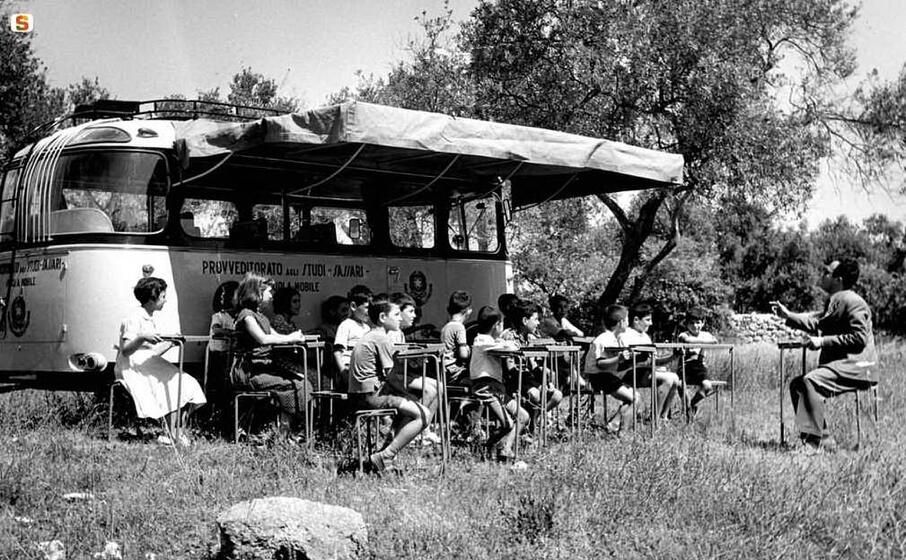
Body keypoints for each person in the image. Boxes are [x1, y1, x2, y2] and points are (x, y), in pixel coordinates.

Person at [771, 258, 877, 451]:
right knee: (797, 385)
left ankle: (818, 443)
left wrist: (822, 341)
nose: (823, 276)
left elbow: (859, 338)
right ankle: (818, 440)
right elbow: (819, 322)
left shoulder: (851, 301)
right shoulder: (839, 300)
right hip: (848, 366)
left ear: (839, 279)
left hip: (859, 367)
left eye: (827, 273)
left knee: (808, 382)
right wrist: (788, 316)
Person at [115, 277, 207, 446]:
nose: (165, 300)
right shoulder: (133, 318)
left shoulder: (149, 317)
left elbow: (152, 352)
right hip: (132, 366)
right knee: (174, 384)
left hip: (148, 362)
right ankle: (171, 434)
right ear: (152, 297)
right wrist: (143, 337)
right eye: (163, 296)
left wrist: (171, 342)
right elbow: (126, 350)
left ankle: (175, 431)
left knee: (188, 383)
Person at [348, 297, 431, 472]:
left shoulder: (371, 335)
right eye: (396, 314)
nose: (400, 318)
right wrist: (408, 396)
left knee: (411, 410)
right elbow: (390, 376)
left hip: (361, 395)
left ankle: (385, 455)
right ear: (383, 318)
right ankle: (385, 456)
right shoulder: (381, 338)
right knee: (424, 414)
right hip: (372, 397)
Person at [232, 273, 312, 433]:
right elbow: (262, 339)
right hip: (250, 371)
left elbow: (275, 335)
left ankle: (287, 429)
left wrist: (294, 337)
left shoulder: (261, 317)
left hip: (264, 368)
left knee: (304, 383)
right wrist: (290, 338)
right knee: (295, 385)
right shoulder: (247, 316)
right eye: (269, 291)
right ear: (258, 293)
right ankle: (281, 432)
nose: (271, 295)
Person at [470, 306, 530, 464]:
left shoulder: (490, 340)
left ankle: (505, 447)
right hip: (485, 388)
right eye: (501, 324)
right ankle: (488, 447)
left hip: (497, 389)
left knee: (523, 416)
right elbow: (507, 348)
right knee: (507, 424)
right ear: (496, 325)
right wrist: (510, 344)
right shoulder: (481, 341)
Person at [383, 292, 442, 446]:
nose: (414, 315)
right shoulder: (389, 333)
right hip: (390, 379)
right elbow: (392, 359)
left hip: (400, 375)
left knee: (439, 386)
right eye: (410, 311)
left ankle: (424, 430)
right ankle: (412, 431)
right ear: (398, 312)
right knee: (429, 390)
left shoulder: (399, 332)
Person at [502, 299, 563, 418]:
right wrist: (534, 383)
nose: (538, 323)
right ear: (525, 320)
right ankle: (530, 424)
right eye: (535, 319)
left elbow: (533, 364)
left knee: (557, 395)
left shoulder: (530, 337)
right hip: (513, 380)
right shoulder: (508, 337)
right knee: (535, 394)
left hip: (527, 379)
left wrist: (545, 381)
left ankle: (535, 420)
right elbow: (510, 369)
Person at [618, 304, 680, 422]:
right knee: (666, 379)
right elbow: (626, 360)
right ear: (636, 320)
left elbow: (653, 360)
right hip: (628, 373)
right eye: (647, 320)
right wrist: (644, 360)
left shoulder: (645, 336)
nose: (650, 323)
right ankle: (655, 418)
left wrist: (673, 357)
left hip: (643, 372)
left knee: (675, 378)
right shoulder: (625, 335)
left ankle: (663, 416)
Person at [582, 304, 638, 432]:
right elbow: (600, 364)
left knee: (635, 398)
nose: (628, 323)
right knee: (634, 398)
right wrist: (619, 358)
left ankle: (614, 425)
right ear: (621, 322)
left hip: (607, 376)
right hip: (599, 377)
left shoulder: (615, 338)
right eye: (627, 319)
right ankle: (621, 431)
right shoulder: (604, 338)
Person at [676, 307, 718, 418]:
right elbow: (688, 340)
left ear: (703, 323)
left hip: (700, 366)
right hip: (686, 365)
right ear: (686, 324)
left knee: (707, 385)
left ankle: (692, 404)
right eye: (692, 323)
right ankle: (686, 407)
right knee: (680, 384)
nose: (695, 326)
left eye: (698, 323)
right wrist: (707, 342)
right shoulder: (684, 334)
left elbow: (715, 341)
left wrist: (709, 341)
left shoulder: (706, 334)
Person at [333, 285, 373, 389]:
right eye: (367, 308)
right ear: (354, 306)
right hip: (348, 370)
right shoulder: (346, 325)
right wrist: (343, 373)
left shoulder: (367, 328)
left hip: (364, 369)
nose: (370, 312)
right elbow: (338, 352)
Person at [208, 280, 239, 402]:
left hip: (231, 353)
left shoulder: (237, 316)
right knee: (219, 380)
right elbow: (216, 329)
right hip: (219, 353)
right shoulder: (219, 316)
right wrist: (229, 332)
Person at [440, 291, 472, 385]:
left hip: (445, 370)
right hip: (455, 371)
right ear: (467, 310)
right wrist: (469, 350)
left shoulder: (446, 327)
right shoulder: (459, 327)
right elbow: (463, 354)